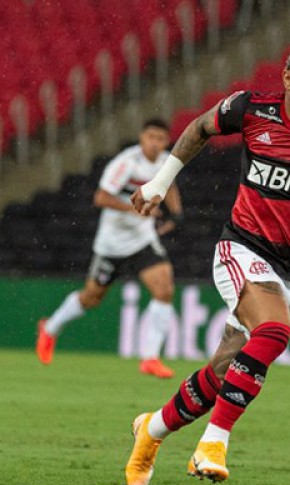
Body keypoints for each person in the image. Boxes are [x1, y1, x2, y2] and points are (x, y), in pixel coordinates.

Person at [124, 34, 290, 485]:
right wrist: (161, 183)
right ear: (288, 78)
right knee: (274, 331)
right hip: (242, 249)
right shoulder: (250, 109)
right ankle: (213, 444)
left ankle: (152, 430)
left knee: (224, 372)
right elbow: (200, 128)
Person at [35, 118, 183, 379]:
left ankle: (150, 358)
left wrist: (177, 214)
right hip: (112, 244)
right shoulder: (125, 163)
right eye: (150, 136)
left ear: (166, 142)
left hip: (142, 241)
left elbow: (169, 185)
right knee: (91, 297)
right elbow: (100, 197)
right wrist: (134, 208)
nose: (154, 143)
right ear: (141, 137)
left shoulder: (164, 162)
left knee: (164, 288)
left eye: (160, 138)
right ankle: (50, 328)